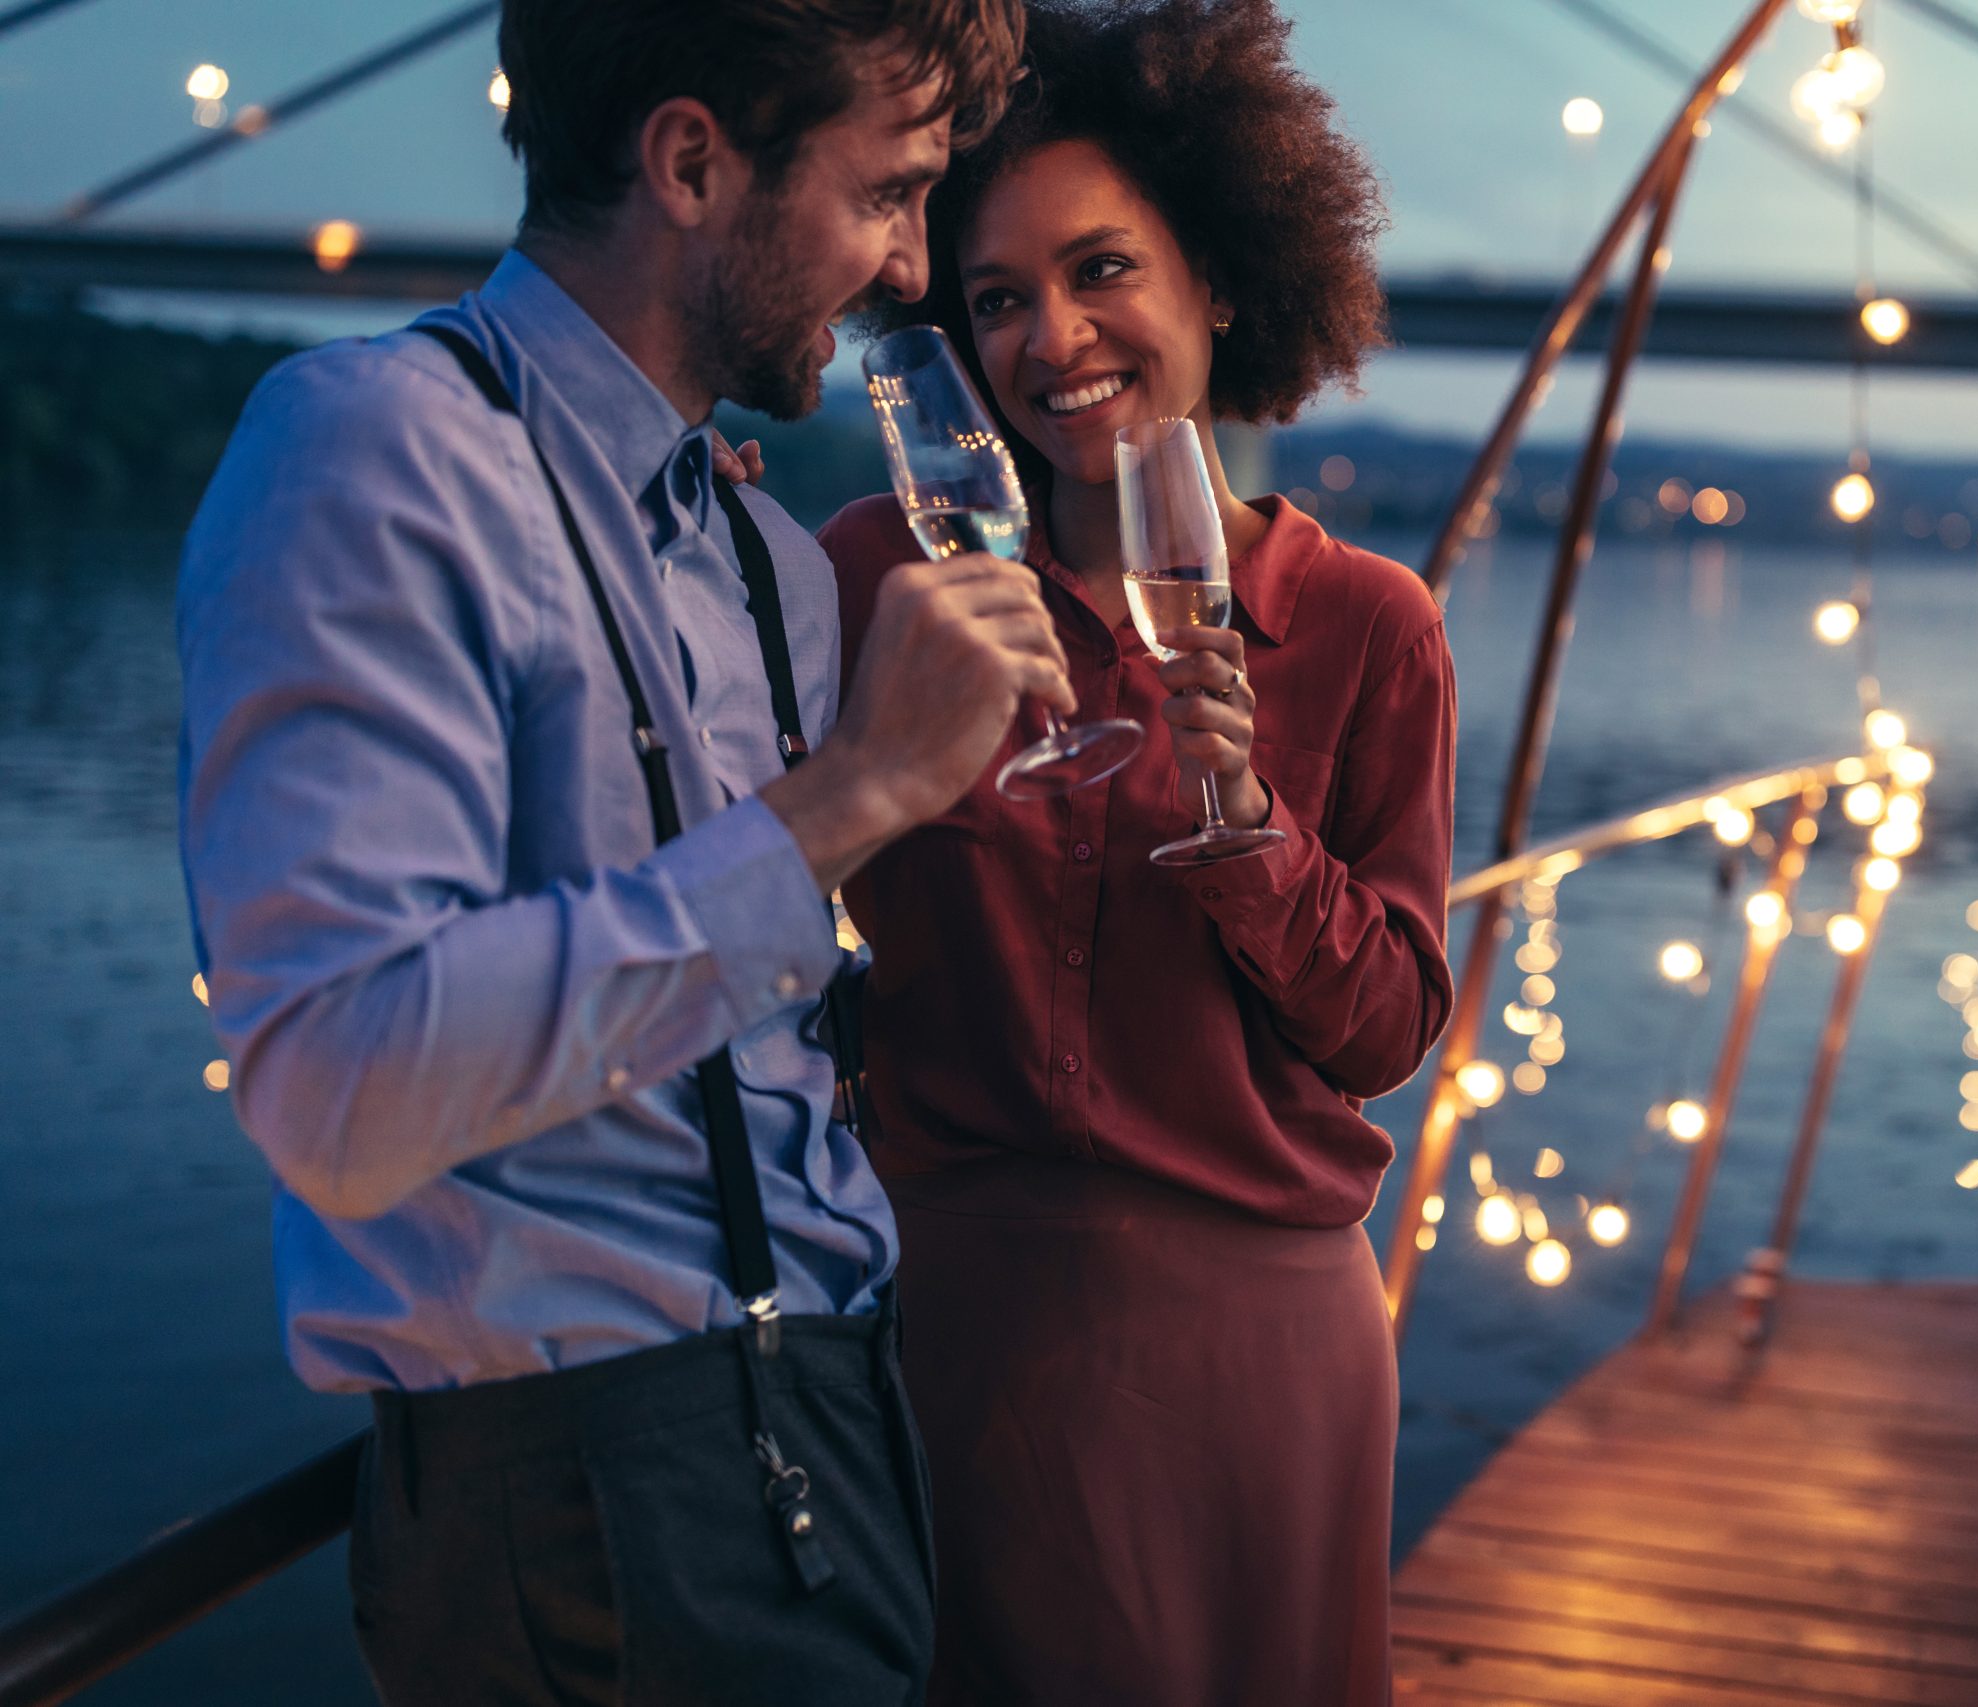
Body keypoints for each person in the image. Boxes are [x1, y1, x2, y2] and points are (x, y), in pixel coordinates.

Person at [174, 3, 1055, 1701]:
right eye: (889, 192)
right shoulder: (375, 450)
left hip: (838, 1422)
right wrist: (851, 796)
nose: (914, 269)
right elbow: (336, 1087)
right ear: (691, 161)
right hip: (582, 1502)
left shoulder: (767, 555)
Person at [798, 1, 1457, 1699]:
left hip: (1262, 1344)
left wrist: (1249, 832)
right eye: (998, 298)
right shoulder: (877, 577)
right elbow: (760, 886)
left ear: (1218, 282)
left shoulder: (1366, 626)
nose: (1053, 337)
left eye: (1103, 272)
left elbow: (1386, 1031)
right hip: (957, 1329)